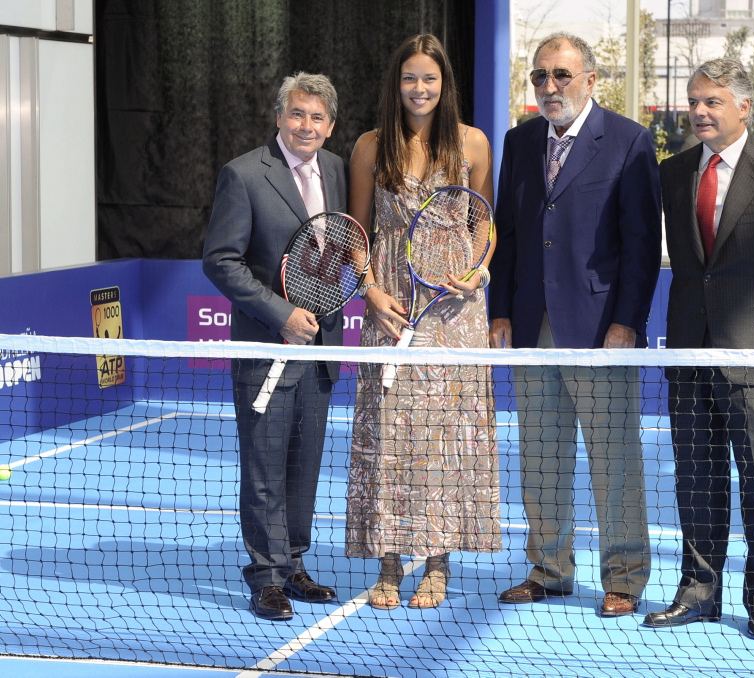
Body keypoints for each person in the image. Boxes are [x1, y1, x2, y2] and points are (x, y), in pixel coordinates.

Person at [641, 58, 754, 640]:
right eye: (694, 101)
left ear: (745, 106)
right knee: (695, 476)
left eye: (712, 102)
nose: (699, 111)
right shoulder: (672, 173)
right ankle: (699, 591)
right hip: (688, 348)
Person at [488, 32, 662, 617]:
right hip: (533, 324)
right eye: (540, 76)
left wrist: (626, 324)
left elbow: (642, 244)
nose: (549, 86)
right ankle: (548, 568)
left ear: (590, 80)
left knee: (614, 459)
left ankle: (625, 576)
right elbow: (508, 233)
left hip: (599, 331)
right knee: (540, 455)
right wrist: (502, 310)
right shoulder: (519, 142)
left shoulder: (629, 141)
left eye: (561, 75)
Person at [344, 34, 500, 611]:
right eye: (410, 78)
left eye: (429, 79)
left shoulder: (473, 144)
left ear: (444, 85)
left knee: (441, 440)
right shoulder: (370, 147)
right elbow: (357, 237)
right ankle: (388, 564)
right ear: (397, 84)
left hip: (455, 313)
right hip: (391, 308)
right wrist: (371, 292)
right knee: (388, 435)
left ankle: (437, 564)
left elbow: (482, 224)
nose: (419, 89)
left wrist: (479, 270)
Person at [202, 72, 346, 621]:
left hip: (321, 350)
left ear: (330, 126)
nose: (305, 126)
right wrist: (281, 313)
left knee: (304, 464)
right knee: (263, 466)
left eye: (317, 117)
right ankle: (265, 575)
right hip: (266, 347)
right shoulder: (242, 174)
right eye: (297, 114)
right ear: (279, 117)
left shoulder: (335, 169)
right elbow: (221, 260)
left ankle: (294, 564)